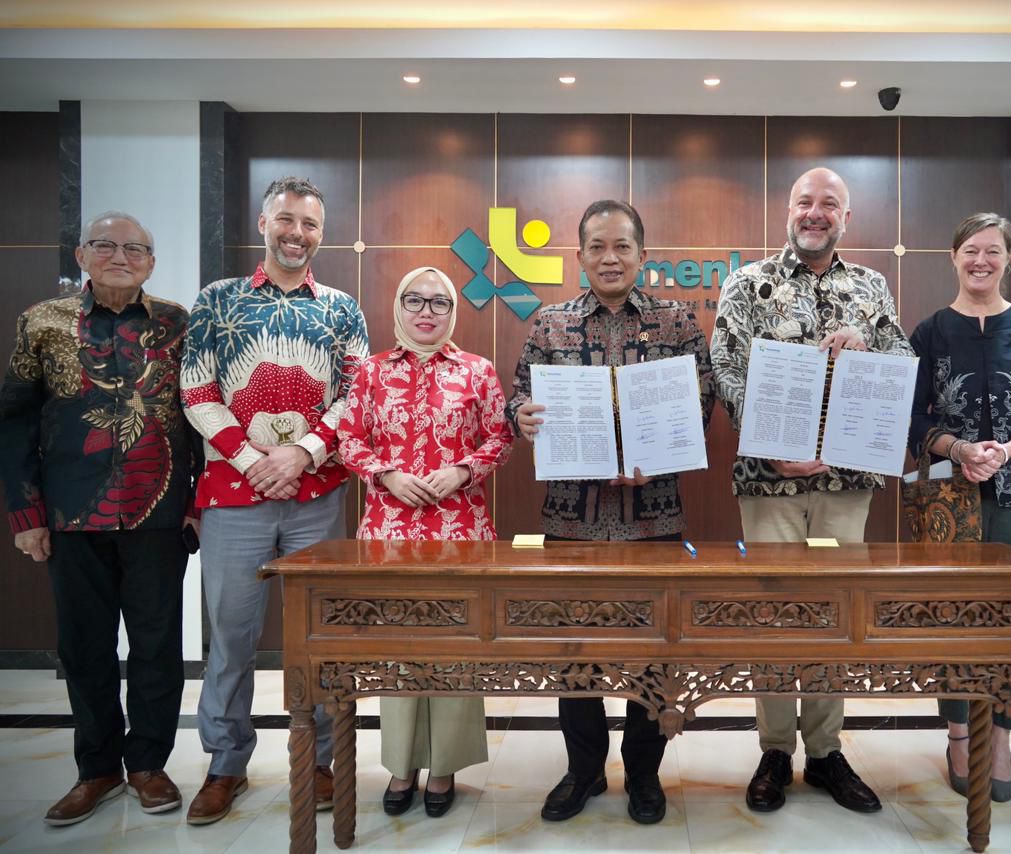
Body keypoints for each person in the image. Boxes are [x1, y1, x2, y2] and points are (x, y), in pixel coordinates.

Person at [711, 167, 911, 815]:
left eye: (830, 204)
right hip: (769, 481)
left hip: (847, 478)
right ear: (788, 211)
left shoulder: (871, 286)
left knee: (831, 609)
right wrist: (774, 446)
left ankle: (825, 750)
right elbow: (726, 366)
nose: (816, 212)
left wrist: (869, 343)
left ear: (846, 218)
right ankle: (774, 747)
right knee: (774, 612)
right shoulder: (748, 283)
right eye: (805, 201)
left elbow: (902, 364)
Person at [508, 199, 714, 825]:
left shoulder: (679, 322)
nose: (610, 258)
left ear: (642, 255)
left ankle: (645, 773)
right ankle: (584, 770)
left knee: (655, 649)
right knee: (576, 652)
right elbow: (521, 393)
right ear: (579, 256)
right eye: (597, 246)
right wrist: (521, 416)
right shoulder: (550, 323)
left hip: (654, 514)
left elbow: (701, 403)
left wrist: (667, 450)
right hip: (572, 519)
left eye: (622, 246)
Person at [180, 176, 370, 825]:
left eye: (310, 224)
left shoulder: (342, 308)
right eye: (286, 220)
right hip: (234, 496)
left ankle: (318, 758)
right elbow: (197, 391)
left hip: (316, 493)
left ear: (322, 233)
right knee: (231, 637)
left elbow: (356, 396)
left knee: (316, 637)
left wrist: (304, 453)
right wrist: (255, 461)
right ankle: (225, 763)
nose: (297, 233)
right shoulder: (217, 300)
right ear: (263, 223)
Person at [0, 211, 197, 826]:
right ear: (82, 255)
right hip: (70, 514)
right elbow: (14, 422)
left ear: (151, 261)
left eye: (135, 247)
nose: (121, 255)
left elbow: (198, 415)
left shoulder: (175, 323)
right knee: (83, 647)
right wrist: (25, 513)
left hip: (160, 515)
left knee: (158, 645)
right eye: (106, 245)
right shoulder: (43, 322)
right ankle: (96, 769)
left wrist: (196, 505)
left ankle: (147, 764)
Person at [907, 212, 1011, 802]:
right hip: (949, 499)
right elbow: (912, 413)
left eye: (993, 251)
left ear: (1009, 260)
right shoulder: (929, 332)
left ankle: (1002, 733)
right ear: (953, 257)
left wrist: (1006, 450)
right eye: (971, 250)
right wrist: (957, 447)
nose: (981, 261)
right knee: (949, 615)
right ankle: (957, 731)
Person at [338, 266, 512, 817]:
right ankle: (401, 767)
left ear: (454, 312)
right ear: (398, 307)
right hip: (389, 535)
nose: (427, 312)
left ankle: (444, 769)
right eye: (415, 300)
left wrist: (461, 471)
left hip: (460, 531)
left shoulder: (477, 372)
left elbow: (500, 438)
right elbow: (347, 438)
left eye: (439, 303)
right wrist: (386, 474)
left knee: (455, 652)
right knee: (399, 655)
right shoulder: (369, 372)